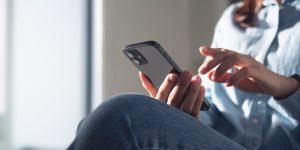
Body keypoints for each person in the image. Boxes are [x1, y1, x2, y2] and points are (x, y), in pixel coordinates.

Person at [68, 0, 300, 149]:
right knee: (92, 126)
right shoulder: (232, 20)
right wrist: (184, 110)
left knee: (123, 117)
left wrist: (288, 86)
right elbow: (215, 110)